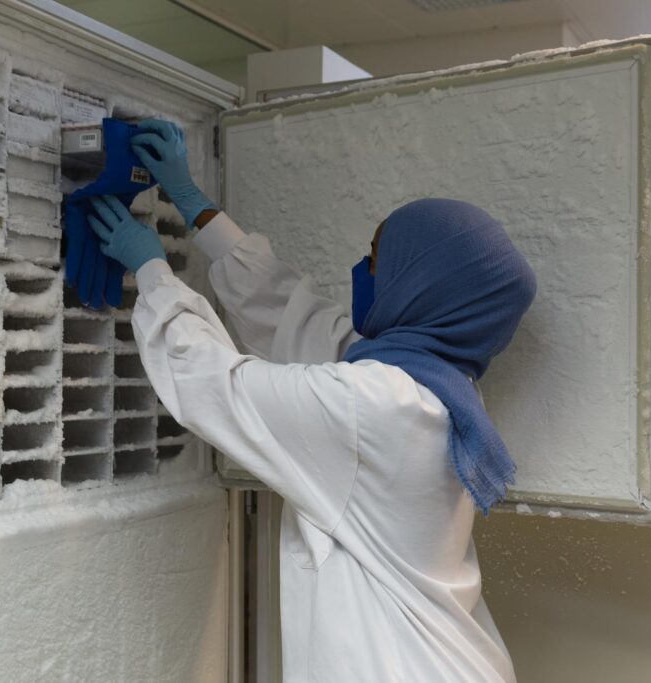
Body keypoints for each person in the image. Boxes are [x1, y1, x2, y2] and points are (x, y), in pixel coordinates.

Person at [87, 119, 536, 682]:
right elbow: (300, 325)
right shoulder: (438, 386)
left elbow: (216, 384)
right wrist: (196, 206)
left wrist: (153, 271)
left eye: (376, 259)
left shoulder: (378, 407)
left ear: (417, 284)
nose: (363, 271)